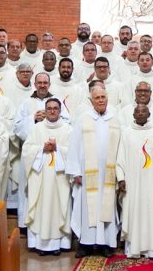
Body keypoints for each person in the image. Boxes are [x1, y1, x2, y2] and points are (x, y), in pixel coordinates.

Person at [116, 104, 153, 259]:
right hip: (132, 182)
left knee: (150, 211)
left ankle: (151, 248)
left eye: (144, 111)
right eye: (137, 111)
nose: (140, 113)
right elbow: (120, 158)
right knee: (132, 211)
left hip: (152, 183)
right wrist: (121, 178)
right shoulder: (127, 133)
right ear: (133, 114)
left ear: (149, 114)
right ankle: (132, 248)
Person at [67, 87, 122, 258]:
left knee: (107, 208)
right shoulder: (83, 119)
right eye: (97, 97)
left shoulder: (114, 120)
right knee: (86, 208)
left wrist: (120, 173)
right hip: (87, 174)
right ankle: (85, 244)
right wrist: (75, 171)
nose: (100, 100)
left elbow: (121, 147)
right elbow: (74, 146)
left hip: (108, 174)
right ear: (91, 101)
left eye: (103, 97)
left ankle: (106, 244)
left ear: (108, 98)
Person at [23, 98, 74, 255]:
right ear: (45, 110)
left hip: (60, 179)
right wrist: (41, 149)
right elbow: (26, 150)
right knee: (40, 207)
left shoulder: (68, 129)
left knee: (60, 207)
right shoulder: (37, 129)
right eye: (49, 108)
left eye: (55, 108)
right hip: (40, 178)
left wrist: (57, 147)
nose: (52, 111)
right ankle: (40, 245)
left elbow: (74, 153)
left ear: (60, 111)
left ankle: (60, 244)